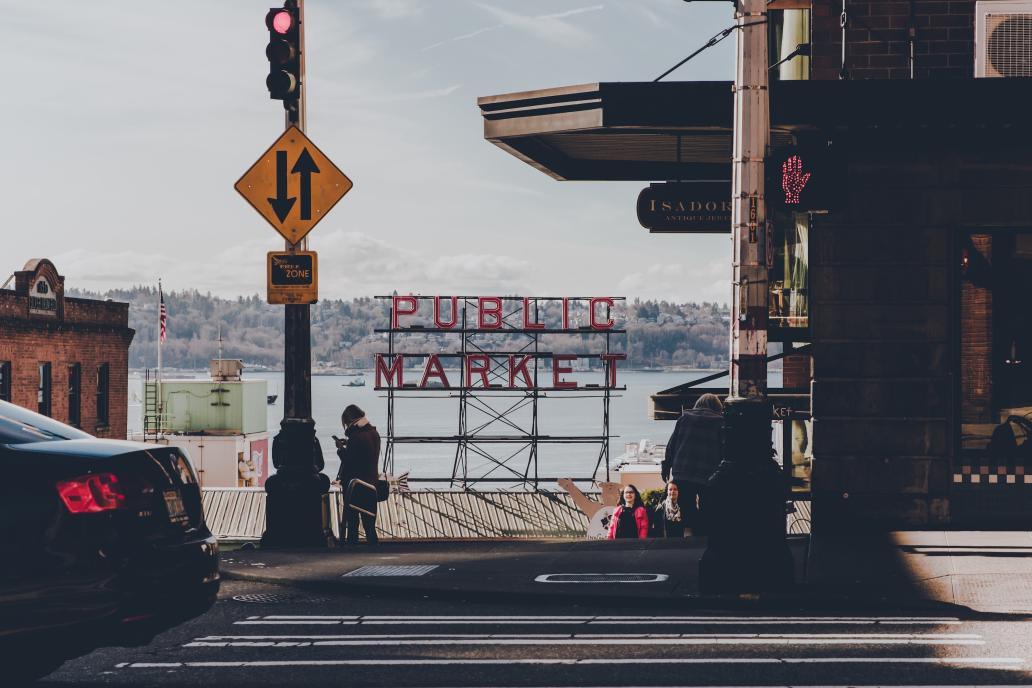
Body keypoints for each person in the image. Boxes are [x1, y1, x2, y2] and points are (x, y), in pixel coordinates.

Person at [662, 393, 724, 534]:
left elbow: (672, 445)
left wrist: (666, 465)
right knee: (707, 505)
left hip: (683, 470)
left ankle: (687, 533)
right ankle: (702, 534)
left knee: (686, 504)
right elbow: (724, 449)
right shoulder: (720, 422)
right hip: (709, 472)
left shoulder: (684, 418)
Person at [333, 404, 381, 545]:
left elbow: (350, 461)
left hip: (355, 486)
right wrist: (349, 443)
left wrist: (341, 449)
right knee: (369, 525)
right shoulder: (373, 433)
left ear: (349, 420)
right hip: (371, 483)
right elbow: (365, 453)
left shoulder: (356, 436)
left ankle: (351, 552)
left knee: (352, 523)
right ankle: (374, 549)